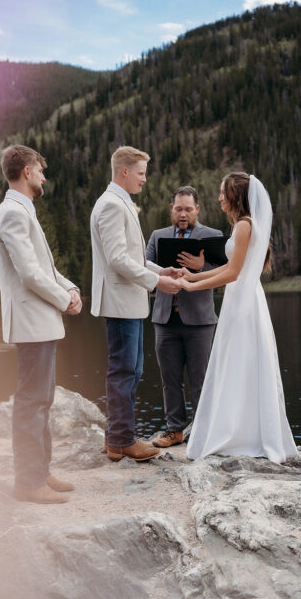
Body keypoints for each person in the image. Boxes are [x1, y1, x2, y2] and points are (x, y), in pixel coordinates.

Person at [178, 172, 297, 463]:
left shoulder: (245, 226)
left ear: (235, 196)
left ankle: (240, 434)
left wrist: (192, 285)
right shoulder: (244, 225)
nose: (219, 197)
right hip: (242, 298)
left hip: (243, 301)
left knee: (240, 362)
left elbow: (232, 273)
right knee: (239, 362)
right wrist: (194, 275)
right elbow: (231, 268)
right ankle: (243, 429)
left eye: (223, 192)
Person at [0, 145, 81, 504]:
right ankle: (28, 482)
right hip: (31, 320)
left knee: (42, 398)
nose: (44, 177)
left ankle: (40, 471)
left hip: (39, 320)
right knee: (32, 400)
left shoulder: (22, 210)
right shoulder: (12, 213)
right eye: (41, 170)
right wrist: (63, 301)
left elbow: (43, 267)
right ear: (26, 171)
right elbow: (29, 274)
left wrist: (69, 287)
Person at [89, 145, 183, 462]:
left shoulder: (119, 202)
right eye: (141, 174)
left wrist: (160, 270)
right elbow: (117, 260)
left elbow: (132, 257)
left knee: (131, 369)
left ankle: (118, 434)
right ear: (125, 171)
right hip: (120, 301)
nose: (145, 180)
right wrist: (157, 282)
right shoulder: (112, 205)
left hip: (126, 301)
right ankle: (121, 439)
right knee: (126, 370)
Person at [145, 186, 223, 448]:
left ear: (197, 210)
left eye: (188, 209)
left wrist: (203, 267)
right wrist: (162, 277)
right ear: (171, 209)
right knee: (170, 379)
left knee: (201, 379)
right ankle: (175, 430)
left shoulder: (212, 236)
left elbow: (224, 272)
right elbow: (143, 269)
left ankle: (202, 433)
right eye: (178, 209)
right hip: (164, 319)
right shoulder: (157, 236)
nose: (183, 214)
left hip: (199, 320)